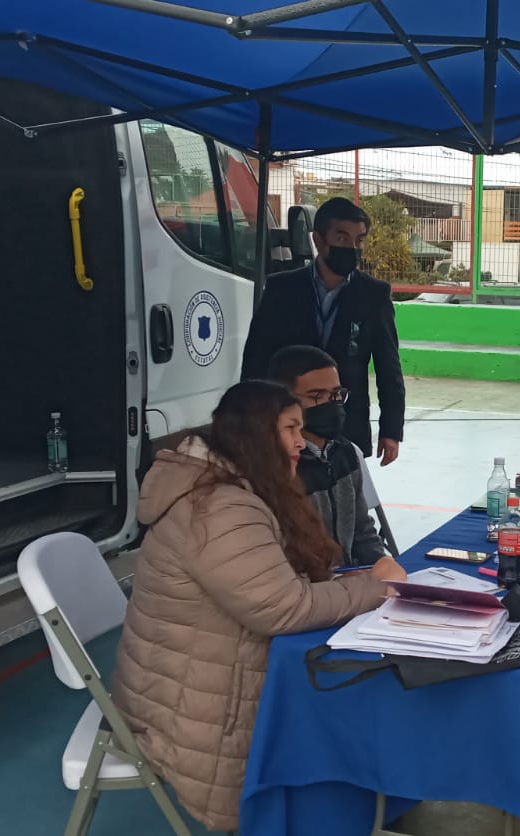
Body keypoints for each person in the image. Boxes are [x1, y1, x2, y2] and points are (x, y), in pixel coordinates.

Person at [112, 380, 404, 831]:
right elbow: (282, 608)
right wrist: (376, 587)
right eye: (289, 429)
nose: (298, 442)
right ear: (255, 434)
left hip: (196, 681)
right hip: (192, 710)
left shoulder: (234, 486)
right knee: (351, 715)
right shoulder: (218, 507)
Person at [240, 197, 405, 464]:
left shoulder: (374, 295)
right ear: (318, 240)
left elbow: (389, 367)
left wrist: (391, 430)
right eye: (342, 238)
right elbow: (256, 358)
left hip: (347, 421)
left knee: (345, 496)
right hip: (288, 421)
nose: (352, 247)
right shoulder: (282, 289)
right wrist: (248, 418)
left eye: (359, 240)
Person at [267, 345, 390, 567]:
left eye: (336, 394)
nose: (331, 404)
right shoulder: (278, 466)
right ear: (284, 401)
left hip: (350, 582)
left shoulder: (346, 452)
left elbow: (361, 530)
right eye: (317, 396)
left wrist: (380, 565)